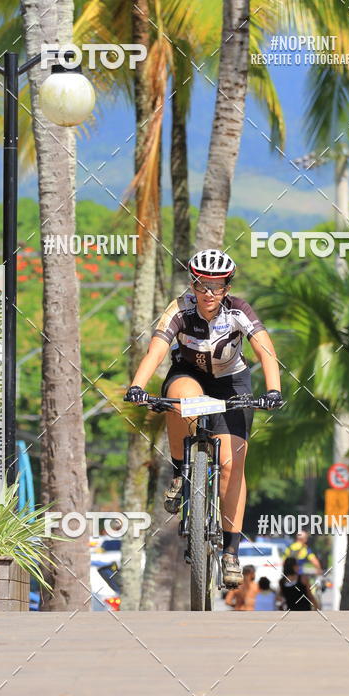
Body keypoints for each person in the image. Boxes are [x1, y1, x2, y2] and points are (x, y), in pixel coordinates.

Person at [124, 249, 282, 588]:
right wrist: (137, 386)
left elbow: (265, 351)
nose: (208, 293)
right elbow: (157, 349)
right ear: (192, 284)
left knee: (230, 465)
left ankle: (230, 552)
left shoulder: (239, 310)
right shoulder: (179, 309)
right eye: (201, 284)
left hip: (232, 383)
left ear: (227, 287)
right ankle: (183, 471)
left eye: (217, 286)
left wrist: (273, 390)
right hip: (189, 375)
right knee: (179, 399)